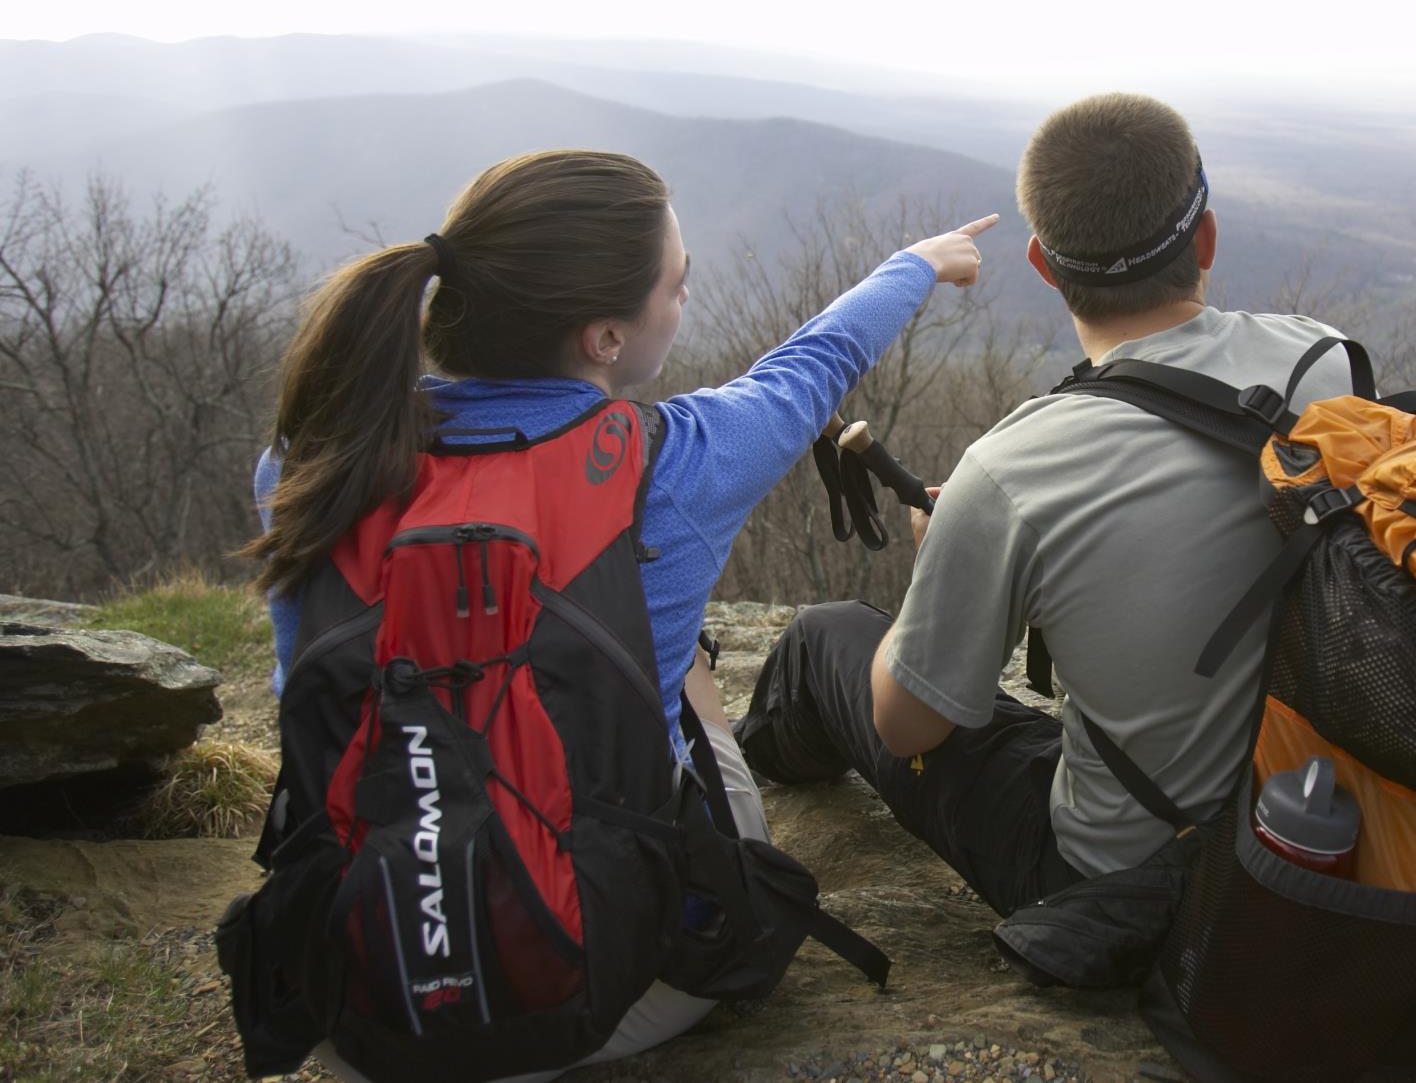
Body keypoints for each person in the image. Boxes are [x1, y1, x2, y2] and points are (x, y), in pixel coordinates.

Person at [245, 149, 994, 1082]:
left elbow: (300, 703)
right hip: (591, 995)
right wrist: (919, 262)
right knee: (678, 666)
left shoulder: (312, 462)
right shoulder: (668, 467)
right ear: (605, 336)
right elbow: (814, 365)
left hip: (357, 1005)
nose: (683, 301)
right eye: (675, 287)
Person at [735, 93, 1353, 923]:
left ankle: (733, 785)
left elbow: (907, 728)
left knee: (824, 635)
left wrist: (952, 555)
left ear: (1042, 264)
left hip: (1117, 875)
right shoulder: (1335, 364)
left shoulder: (1011, 472)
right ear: (1207, 238)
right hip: (1319, 818)